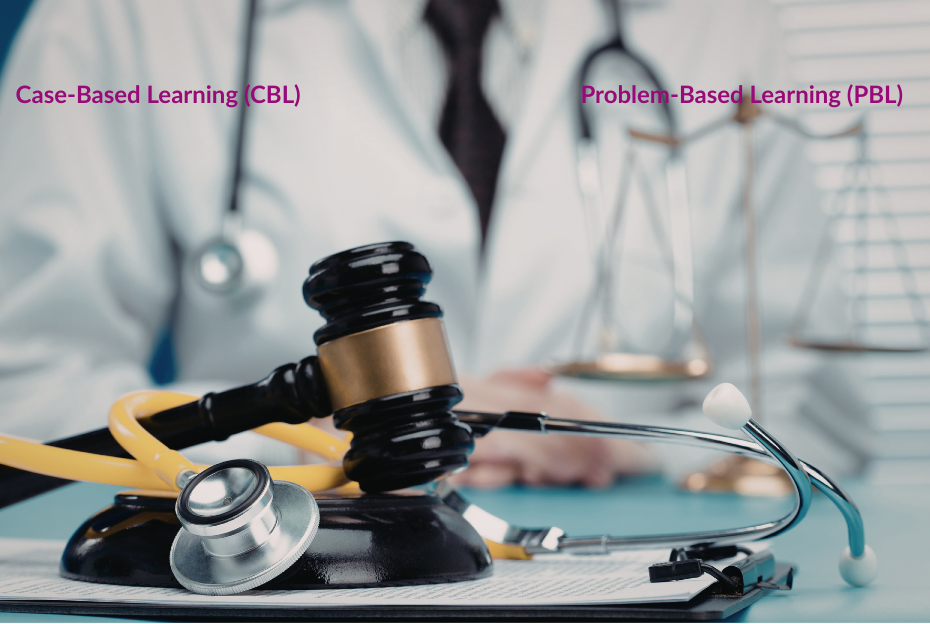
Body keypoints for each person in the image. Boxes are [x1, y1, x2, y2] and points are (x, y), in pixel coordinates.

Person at [0, 0, 871, 486]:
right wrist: (322, 437)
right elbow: (24, 402)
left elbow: (815, 422)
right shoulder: (115, 19)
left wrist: (609, 442)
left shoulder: (722, 27)